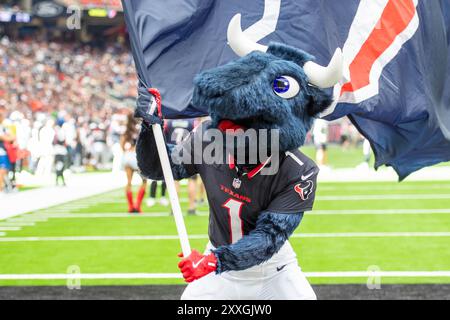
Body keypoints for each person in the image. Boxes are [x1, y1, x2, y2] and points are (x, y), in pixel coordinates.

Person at [135, 36, 343, 299]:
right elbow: (158, 169)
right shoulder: (208, 138)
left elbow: (269, 237)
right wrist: (148, 128)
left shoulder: (299, 170)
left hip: (272, 271)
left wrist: (214, 261)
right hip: (219, 267)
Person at [121, 113, 147, 213]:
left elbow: (122, 145)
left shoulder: (126, 130)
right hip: (137, 156)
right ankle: (138, 206)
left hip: (127, 156)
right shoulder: (139, 129)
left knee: (128, 182)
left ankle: (131, 206)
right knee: (144, 181)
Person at [0, 107, 13, 194]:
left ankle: (4, 186)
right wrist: (9, 138)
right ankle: (1, 187)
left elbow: (12, 136)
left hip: (4, 151)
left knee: (5, 169)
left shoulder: (3, 126)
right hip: (1, 151)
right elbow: (7, 138)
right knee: (3, 169)